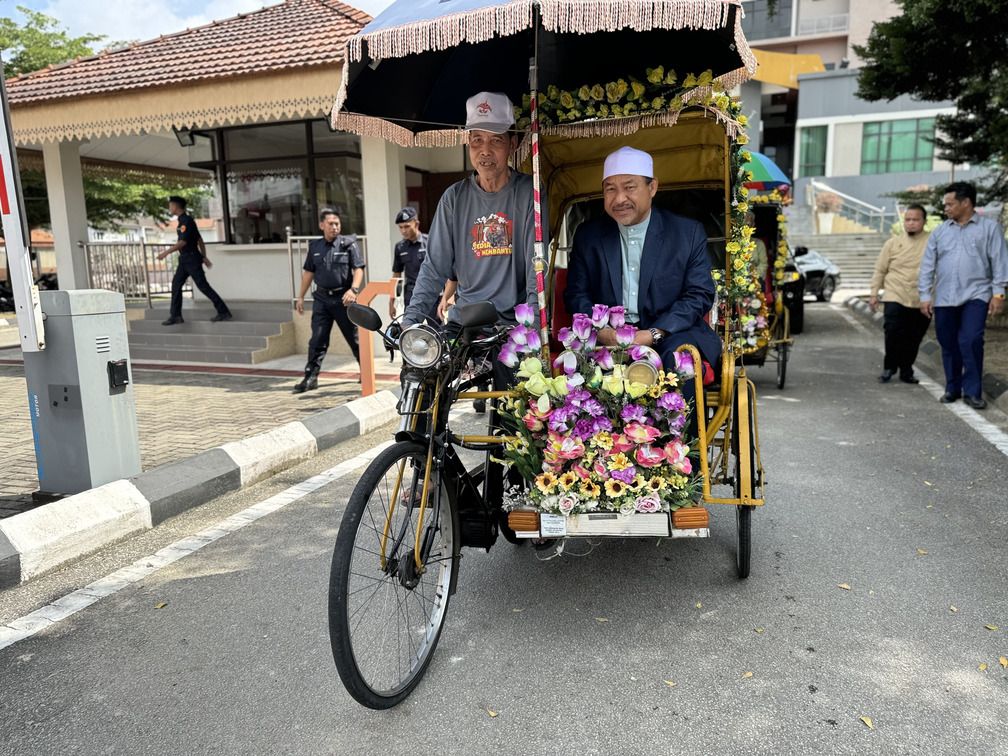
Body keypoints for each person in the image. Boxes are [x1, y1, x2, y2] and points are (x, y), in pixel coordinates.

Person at [402, 91, 541, 389]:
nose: (485, 151)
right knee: (422, 381)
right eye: (477, 140)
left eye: (496, 140)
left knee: (512, 401)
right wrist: (410, 321)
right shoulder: (454, 198)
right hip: (464, 322)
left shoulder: (529, 194)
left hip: (512, 325)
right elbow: (434, 266)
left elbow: (535, 271)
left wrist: (533, 330)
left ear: (513, 144)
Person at [564, 146, 721, 372]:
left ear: (652, 187)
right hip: (606, 337)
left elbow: (699, 294)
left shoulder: (687, 233)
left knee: (679, 361)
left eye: (630, 187)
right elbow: (576, 294)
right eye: (611, 189)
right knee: (578, 369)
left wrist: (654, 333)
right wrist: (602, 331)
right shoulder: (588, 236)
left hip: (670, 333)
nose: (620, 199)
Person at [919, 182, 1008, 409]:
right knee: (948, 343)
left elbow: (1000, 262)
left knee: (971, 340)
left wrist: (998, 294)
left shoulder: (989, 228)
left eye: (950, 204)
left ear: (966, 202)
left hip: (976, 295)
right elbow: (928, 265)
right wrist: (925, 295)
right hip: (944, 297)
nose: (946, 208)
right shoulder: (940, 232)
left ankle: (972, 392)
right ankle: (952, 388)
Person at [292, 210, 366, 394]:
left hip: (343, 299)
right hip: (322, 299)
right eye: (331, 223)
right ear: (321, 225)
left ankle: (366, 372)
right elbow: (309, 272)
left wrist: (354, 289)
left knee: (354, 339)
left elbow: (358, 268)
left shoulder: (348, 244)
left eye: (337, 223)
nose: (335, 227)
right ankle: (311, 377)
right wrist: (300, 296)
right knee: (317, 339)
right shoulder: (315, 246)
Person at [869, 204, 931, 384]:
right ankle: (889, 367)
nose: (911, 223)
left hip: (921, 296)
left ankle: (906, 369)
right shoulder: (892, 243)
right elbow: (880, 270)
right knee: (892, 330)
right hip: (895, 293)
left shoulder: (932, 241)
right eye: (907, 220)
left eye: (915, 220)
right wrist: (874, 294)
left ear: (924, 222)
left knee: (914, 336)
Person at [158, 196, 231, 326]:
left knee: (203, 286)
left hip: (191, 259)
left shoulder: (186, 221)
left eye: (170, 206)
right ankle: (176, 316)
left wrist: (166, 253)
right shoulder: (184, 221)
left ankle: (223, 311)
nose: (169, 208)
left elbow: (183, 242)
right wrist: (204, 256)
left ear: (175, 206)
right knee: (176, 285)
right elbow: (199, 239)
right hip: (186, 259)